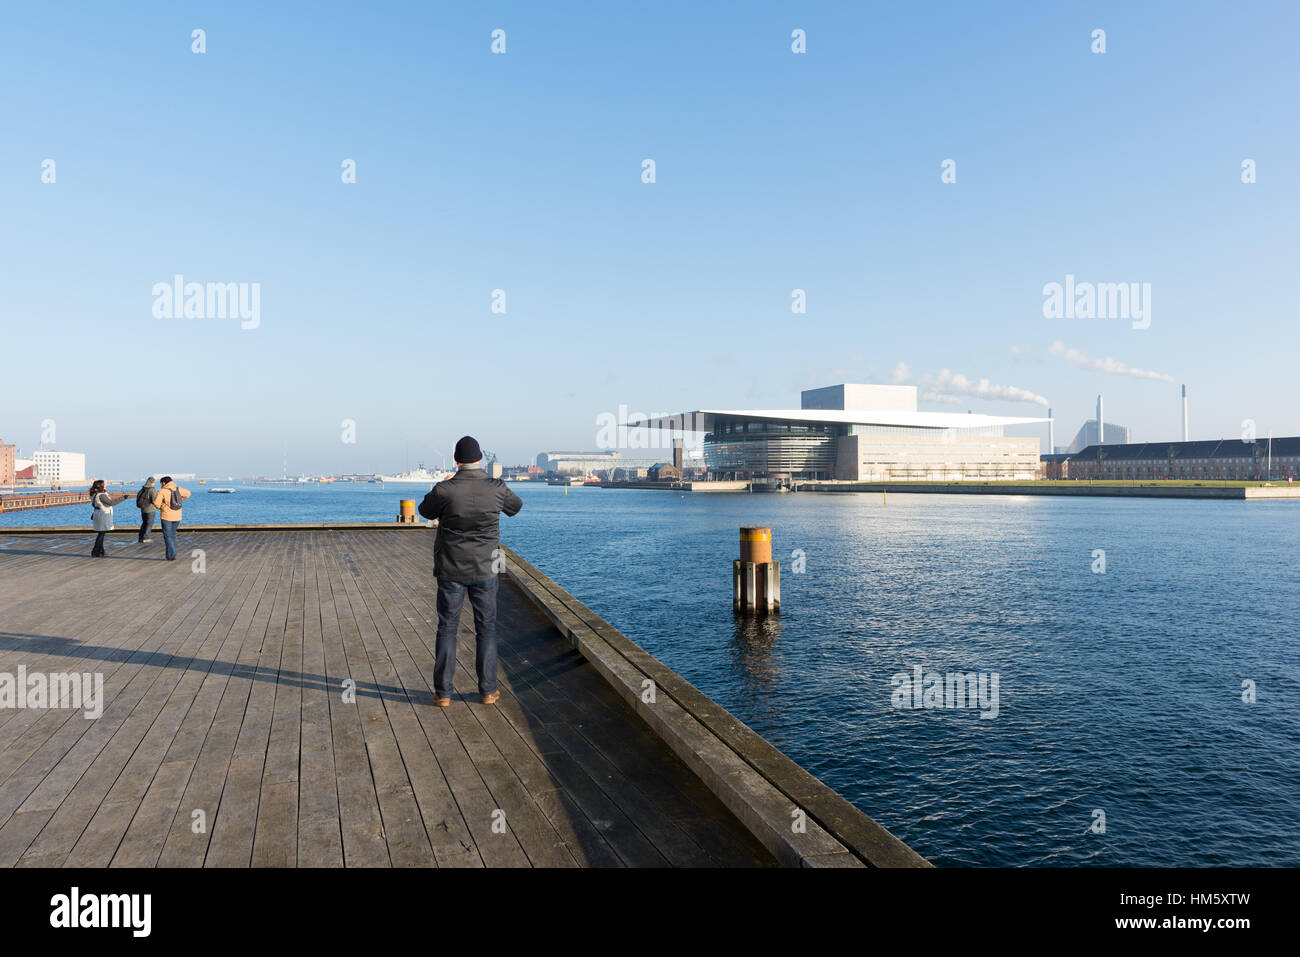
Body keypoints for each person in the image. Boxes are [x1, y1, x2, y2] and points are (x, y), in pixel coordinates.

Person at [418, 436, 522, 706]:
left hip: (451, 568)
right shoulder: (496, 487)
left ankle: (443, 693)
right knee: (486, 628)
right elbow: (516, 507)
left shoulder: (445, 489)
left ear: (456, 460)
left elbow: (425, 511)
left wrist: (447, 482)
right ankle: (487, 690)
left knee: (447, 628)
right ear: (480, 460)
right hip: (486, 568)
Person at [152, 475, 191, 561]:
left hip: (166, 516)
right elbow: (188, 493)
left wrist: (162, 507)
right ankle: (171, 554)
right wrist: (180, 499)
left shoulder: (162, 491)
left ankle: (171, 556)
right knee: (172, 535)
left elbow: (156, 503)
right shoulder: (178, 489)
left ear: (163, 483)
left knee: (168, 536)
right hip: (177, 516)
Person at [88, 480, 128, 557]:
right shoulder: (101, 495)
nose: (105, 485)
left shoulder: (94, 494)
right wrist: (123, 498)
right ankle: (95, 551)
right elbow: (111, 503)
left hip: (98, 514)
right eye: (104, 484)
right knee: (101, 534)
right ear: (101, 486)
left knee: (101, 533)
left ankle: (101, 551)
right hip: (102, 515)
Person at [135, 476, 157, 543]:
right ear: (152, 482)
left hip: (143, 509)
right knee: (149, 524)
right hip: (150, 509)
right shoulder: (152, 489)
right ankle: (146, 538)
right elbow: (154, 500)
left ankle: (141, 538)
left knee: (144, 523)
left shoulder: (142, 489)